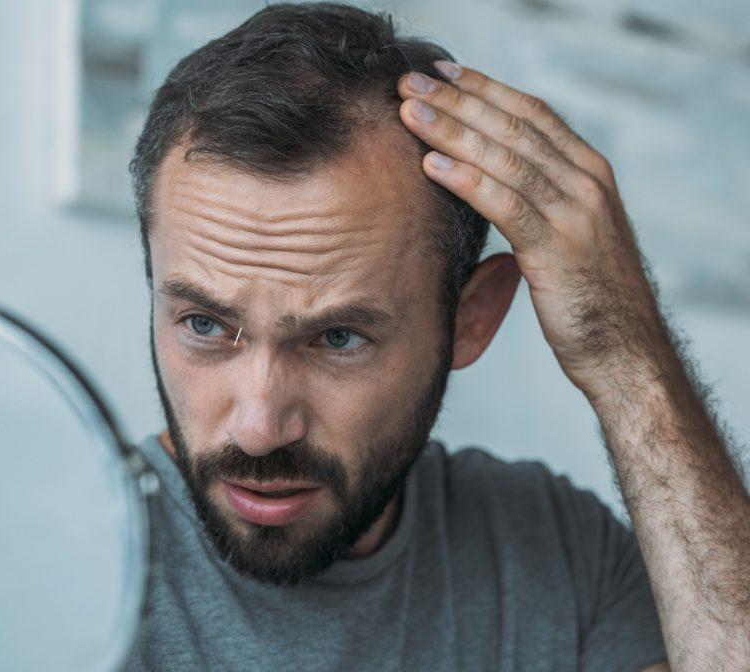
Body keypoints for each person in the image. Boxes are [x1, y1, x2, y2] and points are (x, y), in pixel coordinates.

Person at [121, 3, 749, 670]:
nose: (259, 428)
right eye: (205, 326)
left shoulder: (556, 556)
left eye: (337, 338)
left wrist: (626, 355)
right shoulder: (55, 564)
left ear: (470, 319)